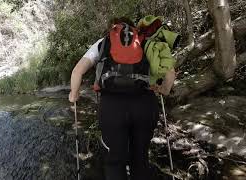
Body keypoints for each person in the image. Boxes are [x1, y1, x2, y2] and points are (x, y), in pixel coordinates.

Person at [69, 17, 176, 180]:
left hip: (112, 108)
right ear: (133, 27)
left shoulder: (103, 42)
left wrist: (74, 94)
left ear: (113, 28)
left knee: (114, 162)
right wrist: (164, 90)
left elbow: (77, 71)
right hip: (144, 105)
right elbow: (169, 72)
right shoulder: (145, 41)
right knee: (140, 160)